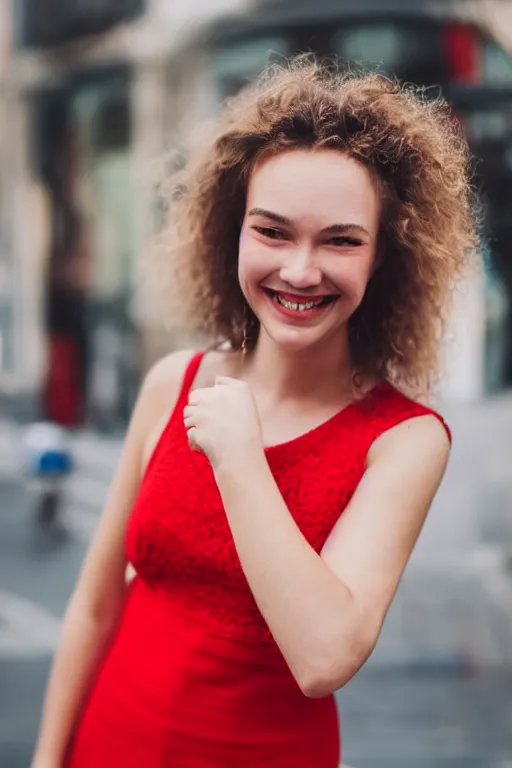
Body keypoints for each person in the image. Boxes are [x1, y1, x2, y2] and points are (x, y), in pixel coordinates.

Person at [32, 57, 477, 768]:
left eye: (340, 240)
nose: (301, 270)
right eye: (272, 231)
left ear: (382, 258)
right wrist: (48, 757)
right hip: (108, 740)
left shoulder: (404, 442)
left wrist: (240, 457)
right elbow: (94, 607)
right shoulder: (172, 382)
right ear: (229, 232)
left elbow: (324, 656)